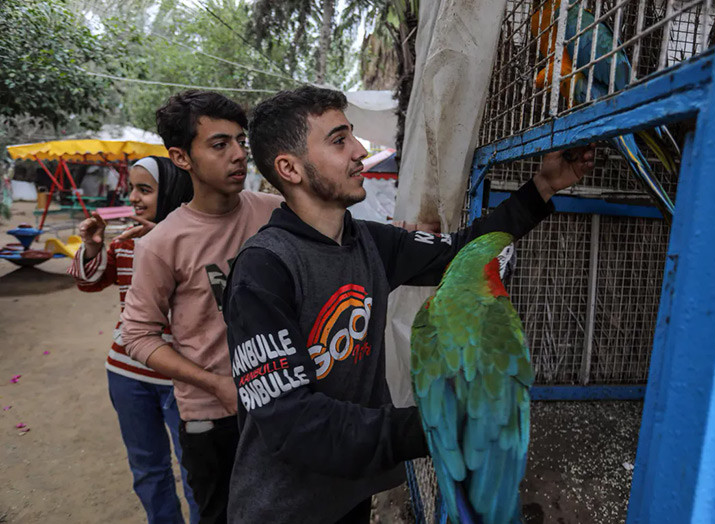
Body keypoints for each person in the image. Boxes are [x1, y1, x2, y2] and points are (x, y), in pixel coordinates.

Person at [222, 85, 595, 524]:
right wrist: (442, 423)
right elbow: (293, 422)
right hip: (283, 508)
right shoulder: (263, 270)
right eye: (339, 140)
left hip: (352, 492)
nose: (360, 150)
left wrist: (544, 186)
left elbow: (462, 252)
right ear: (290, 168)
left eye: (353, 136)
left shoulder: (370, 243)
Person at [121, 91, 283, 524]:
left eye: (239, 142)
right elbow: (137, 336)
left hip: (282, 402)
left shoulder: (276, 213)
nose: (238, 155)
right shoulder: (162, 244)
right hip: (213, 419)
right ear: (182, 157)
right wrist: (215, 384)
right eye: (219, 144)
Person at [68, 156, 199, 524]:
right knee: (147, 468)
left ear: (173, 190)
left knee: (196, 470)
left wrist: (159, 238)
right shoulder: (126, 243)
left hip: (183, 377)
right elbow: (88, 282)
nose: (135, 198)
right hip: (127, 376)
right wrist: (93, 248)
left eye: (146, 189)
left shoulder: (196, 240)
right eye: (132, 190)